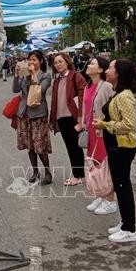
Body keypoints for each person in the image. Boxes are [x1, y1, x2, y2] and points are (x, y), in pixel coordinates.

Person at [94, 58, 136, 243]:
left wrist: (105, 124)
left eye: (111, 68)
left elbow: (129, 125)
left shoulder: (125, 97)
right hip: (115, 146)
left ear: (119, 73)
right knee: (120, 186)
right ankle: (125, 222)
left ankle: (130, 229)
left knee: (123, 186)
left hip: (122, 147)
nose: (107, 70)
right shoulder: (117, 93)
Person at [76, 57, 117, 214]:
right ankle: (101, 194)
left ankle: (110, 200)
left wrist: (105, 123)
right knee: (94, 163)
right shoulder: (88, 87)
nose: (88, 65)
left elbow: (112, 109)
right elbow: (85, 109)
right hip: (91, 131)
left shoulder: (106, 86)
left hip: (103, 131)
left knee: (103, 165)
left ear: (100, 70)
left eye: (93, 63)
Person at [13, 50, 53, 185]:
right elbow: (15, 89)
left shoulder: (46, 76)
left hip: (38, 114)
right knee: (29, 145)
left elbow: (39, 91)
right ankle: (35, 171)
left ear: (41, 61)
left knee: (40, 145)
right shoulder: (24, 75)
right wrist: (16, 75)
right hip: (24, 113)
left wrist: (34, 74)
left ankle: (47, 172)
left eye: (34, 60)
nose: (31, 62)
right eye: (29, 60)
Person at [48, 53, 86, 186]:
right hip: (61, 118)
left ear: (67, 62)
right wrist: (52, 119)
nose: (58, 64)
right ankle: (79, 174)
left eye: (60, 61)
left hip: (73, 117)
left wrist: (81, 119)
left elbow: (82, 98)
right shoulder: (57, 80)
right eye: (55, 62)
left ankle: (78, 175)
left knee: (75, 147)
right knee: (70, 147)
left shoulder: (76, 76)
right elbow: (54, 101)